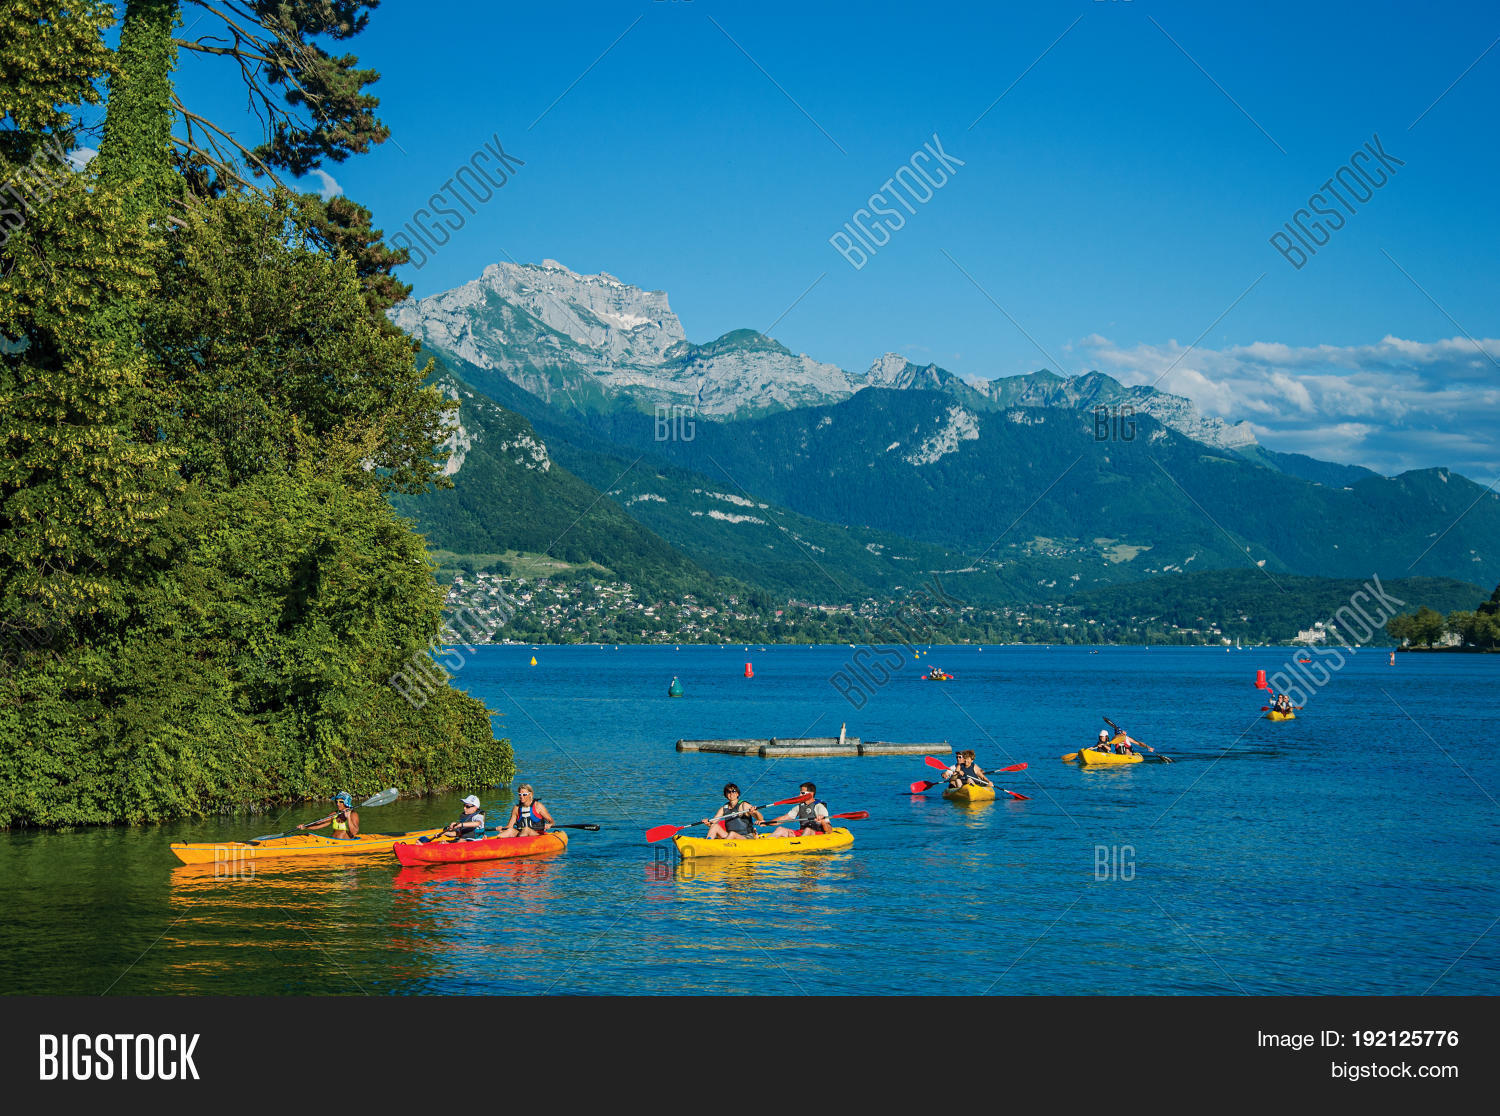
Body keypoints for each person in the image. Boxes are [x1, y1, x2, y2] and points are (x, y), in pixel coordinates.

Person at [765, 783, 832, 837]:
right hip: (802, 832)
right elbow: (784, 818)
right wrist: (766, 824)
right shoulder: (799, 807)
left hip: (817, 834)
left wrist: (823, 822)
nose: (799, 795)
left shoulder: (820, 807)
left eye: (802, 793)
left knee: (807, 830)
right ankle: (766, 842)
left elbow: (829, 830)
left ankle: (800, 844)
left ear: (811, 794)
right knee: (780, 829)